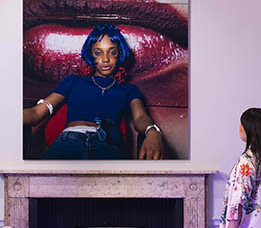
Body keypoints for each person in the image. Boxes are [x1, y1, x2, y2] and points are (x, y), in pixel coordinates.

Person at [22, 23, 165, 159]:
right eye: (98, 52)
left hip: (108, 147)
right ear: (90, 54)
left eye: (112, 52)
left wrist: (152, 131)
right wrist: (9, 117)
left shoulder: (129, 90)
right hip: (68, 143)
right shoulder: (73, 81)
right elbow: (36, 113)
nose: (106, 59)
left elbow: (140, 117)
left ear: (119, 54)